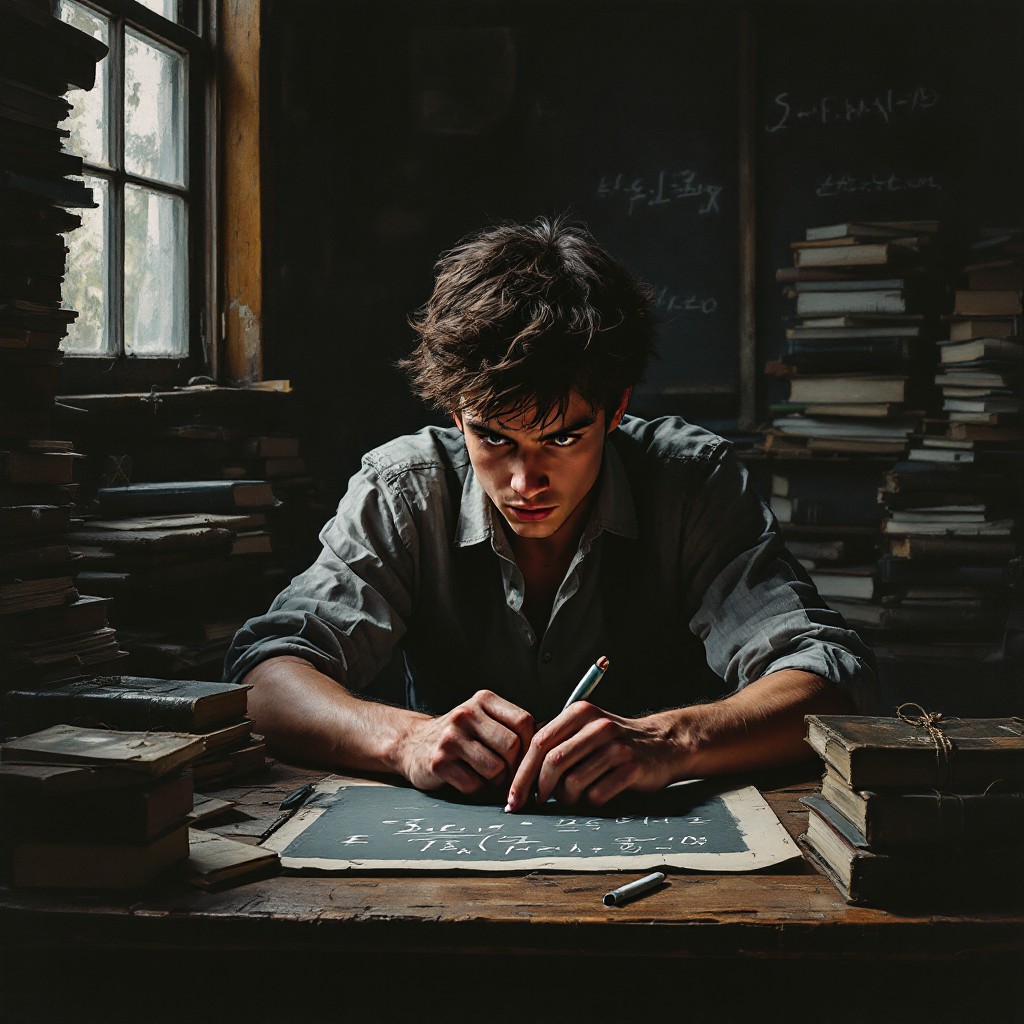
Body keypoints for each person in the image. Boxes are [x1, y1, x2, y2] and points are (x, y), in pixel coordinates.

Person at [224, 216, 875, 812]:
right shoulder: (405, 490)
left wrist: (667, 741)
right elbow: (265, 679)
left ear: (615, 411)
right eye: (494, 438)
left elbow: (825, 677)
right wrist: (407, 740)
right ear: (456, 414)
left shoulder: (689, 482)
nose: (523, 481)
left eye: (562, 439)